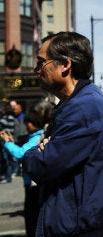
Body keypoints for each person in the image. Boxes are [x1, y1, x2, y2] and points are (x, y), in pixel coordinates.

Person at [22, 31, 103, 236]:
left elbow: (43, 165)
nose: (36, 69)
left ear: (65, 65)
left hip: (81, 228)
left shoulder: (84, 109)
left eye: (41, 62)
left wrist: (32, 153)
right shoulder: (80, 103)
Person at [0, 99, 54, 237]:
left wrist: (7, 143)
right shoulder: (38, 135)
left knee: (33, 220)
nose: (26, 126)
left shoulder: (39, 136)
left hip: (34, 186)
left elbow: (21, 154)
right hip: (32, 184)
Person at [0, 102, 18, 184]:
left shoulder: (5, 119)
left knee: (7, 159)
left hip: (5, 140)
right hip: (10, 139)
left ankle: (7, 177)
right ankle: (10, 175)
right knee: (9, 159)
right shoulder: (12, 118)